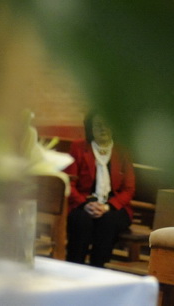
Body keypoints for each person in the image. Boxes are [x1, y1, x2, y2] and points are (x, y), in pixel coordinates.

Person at [64, 112, 135, 267]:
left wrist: (107, 206)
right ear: (90, 128)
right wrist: (85, 204)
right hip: (83, 203)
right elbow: (69, 182)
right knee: (82, 220)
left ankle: (99, 268)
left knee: (108, 221)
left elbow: (128, 189)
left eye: (107, 124)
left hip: (113, 206)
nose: (103, 129)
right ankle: (74, 268)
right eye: (98, 125)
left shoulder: (122, 151)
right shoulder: (78, 147)